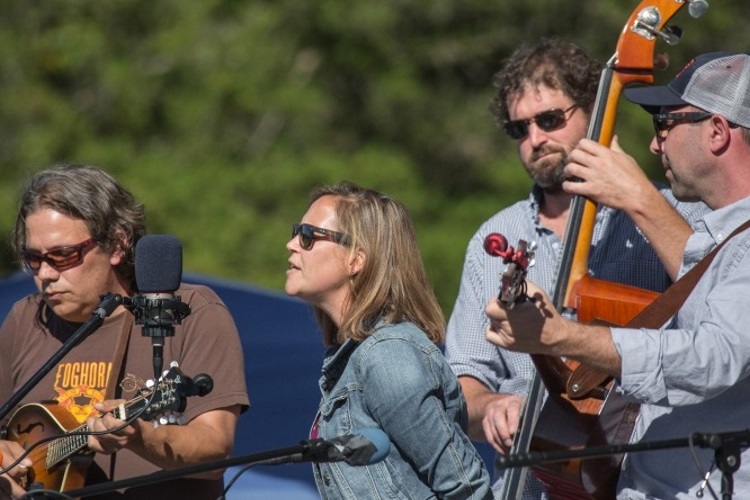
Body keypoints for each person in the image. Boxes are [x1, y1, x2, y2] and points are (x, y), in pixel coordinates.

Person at [443, 39, 707, 497]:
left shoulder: (672, 213)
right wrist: (493, 407)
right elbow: (462, 386)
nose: (535, 140)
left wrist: (639, 200)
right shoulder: (493, 238)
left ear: (594, 107)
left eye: (549, 120)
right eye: (518, 130)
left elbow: (721, 304)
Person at [0, 164, 249, 499]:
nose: (44, 273)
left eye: (62, 255)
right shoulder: (26, 318)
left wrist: (139, 437)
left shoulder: (188, 311)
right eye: (33, 258)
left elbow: (215, 452)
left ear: (117, 245)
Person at [285, 181, 493, 499]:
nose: (292, 244)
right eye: (296, 231)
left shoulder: (387, 355)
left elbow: (465, 487)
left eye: (308, 236)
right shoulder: (356, 357)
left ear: (356, 259)